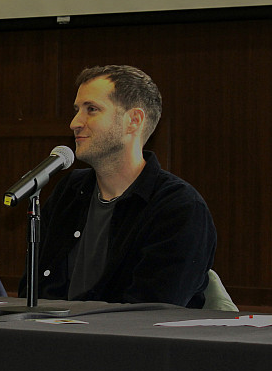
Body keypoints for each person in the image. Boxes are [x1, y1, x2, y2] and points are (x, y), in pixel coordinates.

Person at [20, 65, 217, 306]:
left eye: (91, 109)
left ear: (133, 121)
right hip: (47, 337)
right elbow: (31, 291)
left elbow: (152, 311)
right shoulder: (68, 191)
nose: (74, 123)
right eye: (76, 110)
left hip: (124, 342)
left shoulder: (179, 207)